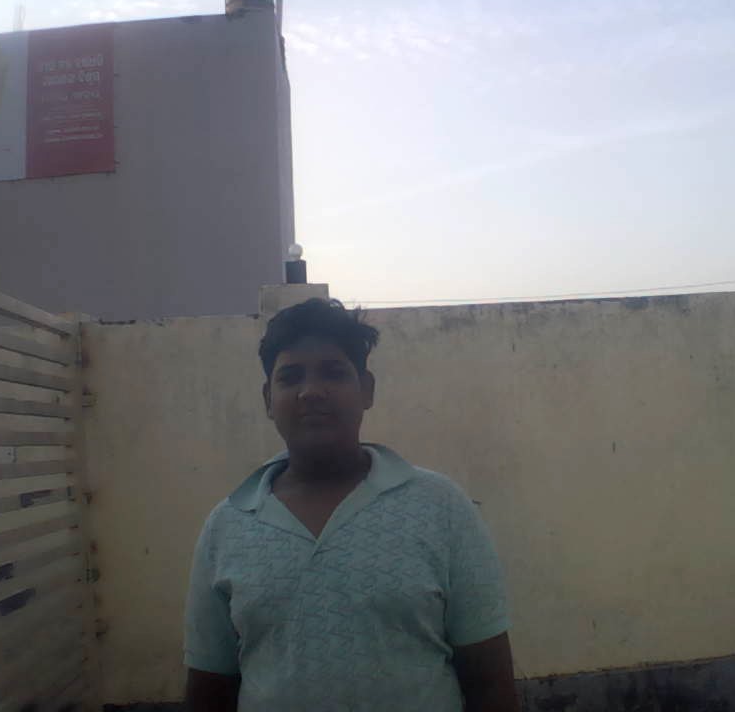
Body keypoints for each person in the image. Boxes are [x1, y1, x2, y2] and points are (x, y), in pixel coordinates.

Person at [184, 298, 519, 711]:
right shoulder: (228, 525)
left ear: (367, 390)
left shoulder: (441, 507)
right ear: (268, 399)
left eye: (333, 372)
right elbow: (210, 687)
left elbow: (490, 681)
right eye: (291, 376)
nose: (311, 391)